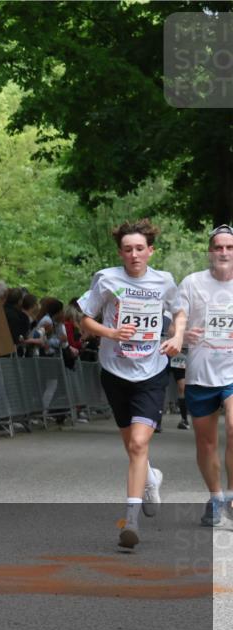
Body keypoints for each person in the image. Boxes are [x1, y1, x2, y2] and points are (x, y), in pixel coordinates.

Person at [79, 218, 184, 549]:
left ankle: (132, 520)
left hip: (151, 371)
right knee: (132, 445)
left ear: (150, 251)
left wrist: (178, 336)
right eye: (128, 249)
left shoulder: (164, 281)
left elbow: (180, 312)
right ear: (120, 253)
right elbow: (84, 317)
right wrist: (110, 333)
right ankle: (151, 478)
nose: (134, 254)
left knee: (139, 444)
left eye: (140, 248)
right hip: (115, 371)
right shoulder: (106, 279)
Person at [178, 224, 233, 526]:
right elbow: (178, 319)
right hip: (201, 372)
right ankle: (216, 499)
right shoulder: (192, 283)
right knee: (206, 444)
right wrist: (182, 334)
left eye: (230, 247)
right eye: (219, 247)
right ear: (210, 251)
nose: (224, 252)